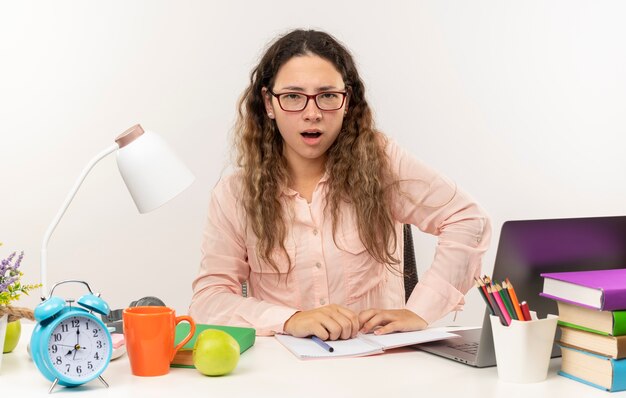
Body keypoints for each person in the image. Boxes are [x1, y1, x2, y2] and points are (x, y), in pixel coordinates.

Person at [189, 29, 491, 341]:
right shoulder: (234, 194)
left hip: (378, 366)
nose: (312, 113)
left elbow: (469, 220)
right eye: (293, 96)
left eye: (328, 96)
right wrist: (291, 319)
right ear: (268, 103)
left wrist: (420, 311)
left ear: (347, 101)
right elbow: (209, 299)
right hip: (285, 372)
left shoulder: (381, 162)